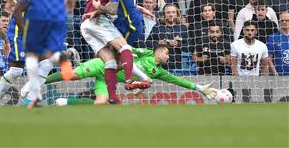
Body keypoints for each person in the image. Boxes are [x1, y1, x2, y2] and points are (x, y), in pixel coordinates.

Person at [44, 45, 218, 105]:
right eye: (166, 53)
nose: (168, 56)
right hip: (103, 65)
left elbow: (178, 80)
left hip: (108, 80)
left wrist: (200, 88)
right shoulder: (146, 53)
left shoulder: (159, 72)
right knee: (71, 75)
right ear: (158, 51)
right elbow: (126, 49)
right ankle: (41, 81)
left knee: (101, 103)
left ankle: (65, 102)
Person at [82, 0, 151, 104]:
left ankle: (112, 97)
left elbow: (120, 2)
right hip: (102, 21)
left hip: (86, 24)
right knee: (124, 48)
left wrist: (98, 9)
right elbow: (114, 8)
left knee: (111, 62)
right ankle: (130, 80)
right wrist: (99, 9)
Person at [267, 11, 289, 76]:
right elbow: (269, 58)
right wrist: (275, 73)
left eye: (287, 20)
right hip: (279, 76)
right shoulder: (272, 37)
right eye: (282, 20)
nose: (284, 22)